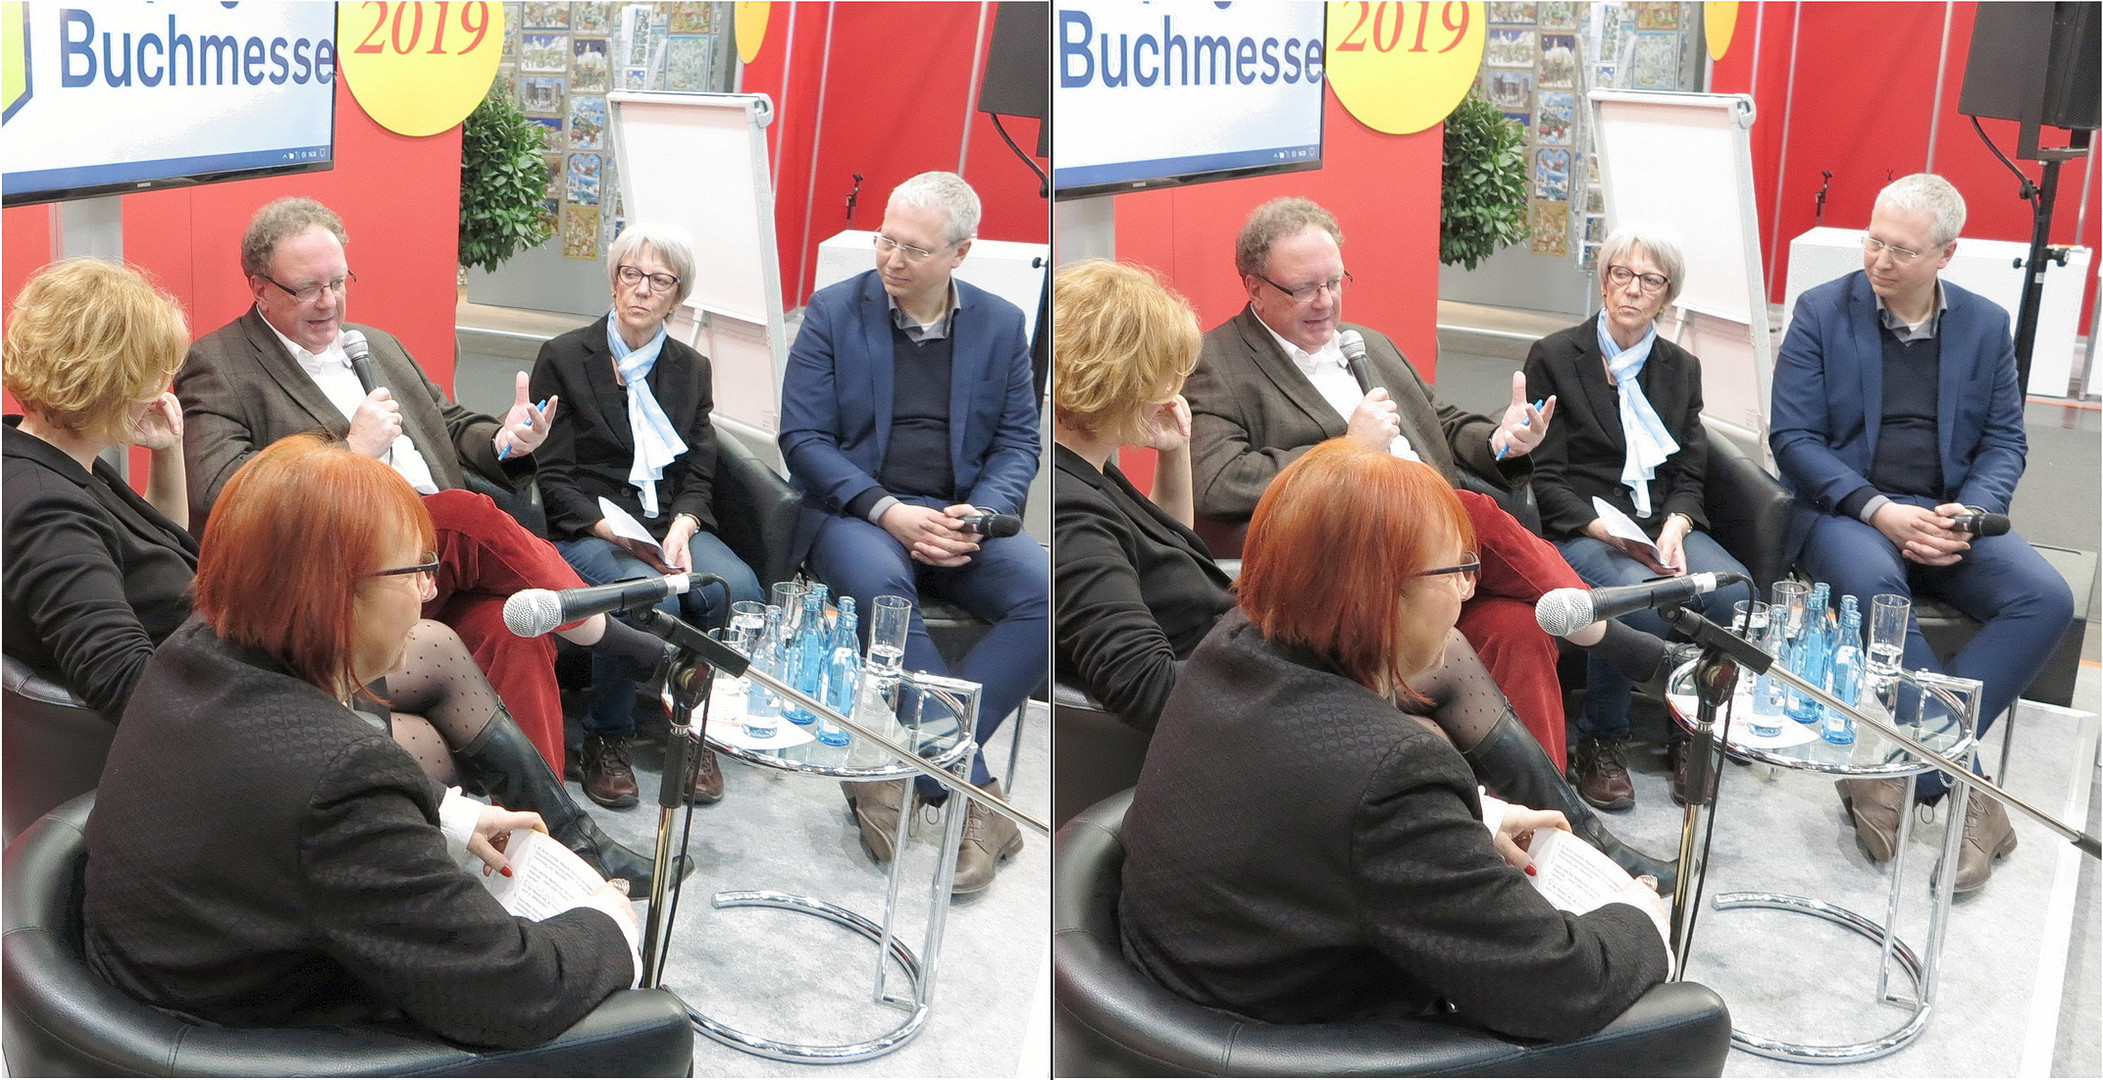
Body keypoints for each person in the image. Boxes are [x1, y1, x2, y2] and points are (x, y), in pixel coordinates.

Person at [2, 261, 674, 892]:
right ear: (111, 377)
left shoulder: (47, 458)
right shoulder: (45, 509)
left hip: (228, 668)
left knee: (439, 646)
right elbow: (129, 684)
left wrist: (169, 452)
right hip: (223, 707)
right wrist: (288, 701)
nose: (162, 385)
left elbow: (164, 550)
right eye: (152, 371)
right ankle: (495, 866)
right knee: (434, 733)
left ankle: (567, 847)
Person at [1053, 260, 1673, 888]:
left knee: (1491, 637)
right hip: (1242, 692)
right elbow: (1146, 688)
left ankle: (1570, 857)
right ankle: (1570, 850)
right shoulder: (1073, 511)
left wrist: (1174, 452)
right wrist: (1298, 657)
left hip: (1247, 653)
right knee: (1451, 562)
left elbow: (1171, 552)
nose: (1173, 388)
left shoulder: (1088, 472)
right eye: (1160, 375)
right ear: (1120, 380)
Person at [83, 435, 640, 1049]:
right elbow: (518, 990)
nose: (430, 593)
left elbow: (284, 798)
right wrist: (607, 925)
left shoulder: (191, 652)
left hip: (164, 992)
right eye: (417, 573)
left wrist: (447, 812)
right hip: (252, 1045)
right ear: (332, 593)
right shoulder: (341, 778)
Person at [1117, 440, 1670, 1037]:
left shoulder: (1233, 644)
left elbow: (1301, 803)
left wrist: (1476, 818)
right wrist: (1638, 918)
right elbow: (1567, 986)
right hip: (1294, 1043)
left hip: (1190, 991)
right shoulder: (1392, 773)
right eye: (1457, 571)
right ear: (1373, 592)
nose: (1467, 591)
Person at [174, 196, 664, 774]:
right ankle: (625, 643)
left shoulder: (374, 345)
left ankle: (544, 837)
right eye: (307, 288)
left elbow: (449, 423)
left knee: (516, 631)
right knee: (461, 511)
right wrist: (348, 454)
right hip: (348, 573)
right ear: (259, 288)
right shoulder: (219, 365)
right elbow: (222, 494)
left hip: (438, 567)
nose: (329, 302)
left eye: (339, 281)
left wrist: (507, 440)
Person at [1183, 196, 1676, 767]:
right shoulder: (1217, 362)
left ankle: (1552, 828)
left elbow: (1437, 421)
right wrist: (1344, 450)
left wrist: (1501, 440)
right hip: (1356, 562)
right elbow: (1217, 480)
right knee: (1473, 510)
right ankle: (1622, 643)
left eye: (1335, 281)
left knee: (1520, 629)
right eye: (1304, 289)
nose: (1326, 303)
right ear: (1255, 286)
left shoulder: (1367, 342)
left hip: (1440, 562)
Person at [1771, 173, 2075, 892]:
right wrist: (1878, 509)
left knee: (2046, 600)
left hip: (1946, 512)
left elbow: (2004, 442)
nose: (1879, 260)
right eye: (1873, 240)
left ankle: (1899, 783)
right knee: (1877, 589)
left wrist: (1965, 512)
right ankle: (1969, 791)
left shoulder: (1984, 324)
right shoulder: (1820, 311)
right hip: (1848, 510)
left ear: (1945, 254)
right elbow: (1792, 439)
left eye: (1900, 251)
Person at [778, 171, 1047, 894]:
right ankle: (972, 794)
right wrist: (887, 510)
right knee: (885, 593)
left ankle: (906, 775)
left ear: (960, 253)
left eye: (914, 250)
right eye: (885, 240)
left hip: (958, 517)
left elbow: (1019, 442)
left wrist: (977, 515)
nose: (892, 260)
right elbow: (802, 439)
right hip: (858, 513)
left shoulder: (998, 323)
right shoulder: (834, 312)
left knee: (1052, 597)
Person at [530, 222, 764, 810]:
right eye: (630, 274)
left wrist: (684, 526)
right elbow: (553, 476)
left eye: (659, 281)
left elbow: (700, 471)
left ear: (677, 297)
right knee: (643, 592)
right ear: (612, 281)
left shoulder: (690, 368)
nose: (641, 289)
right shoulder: (563, 356)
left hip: (668, 523)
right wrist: (616, 534)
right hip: (593, 524)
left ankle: (693, 727)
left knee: (733, 587)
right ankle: (607, 738)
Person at [1523, 227, 1753, 810]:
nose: (1632, 289)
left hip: (1660, 523)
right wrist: (1611, 535)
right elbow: (1547, 477)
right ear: (1603, 282)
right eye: (1621, 275)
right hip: (1587, 525)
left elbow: (1691, 470)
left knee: (1733, 594)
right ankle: (1602, 738)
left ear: (1667, 297)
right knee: (1637, 597)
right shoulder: (1555, 355)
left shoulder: (1681, 368)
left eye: (1649, 280)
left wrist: (1676, 525)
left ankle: (1692, 733)